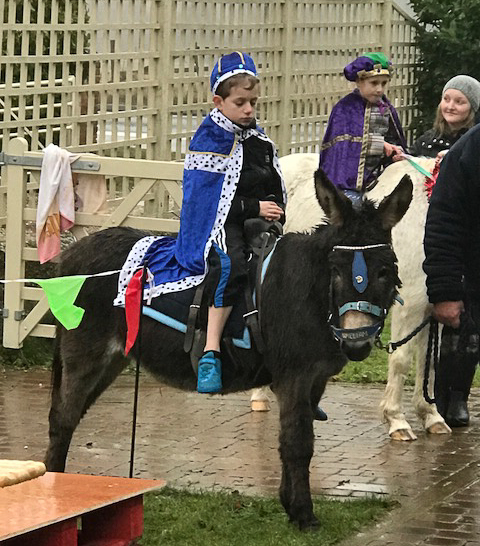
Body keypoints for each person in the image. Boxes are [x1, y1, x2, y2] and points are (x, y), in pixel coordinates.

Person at [116, 51, 286, 394]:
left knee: (286, 268)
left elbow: (271, 181)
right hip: (217, 226)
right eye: (240, 103)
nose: (249, 110)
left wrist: (274, 208)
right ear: (218, 102)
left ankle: (287, 364)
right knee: (230, 265)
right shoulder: (209, 140)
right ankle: (211, 350)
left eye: (253, 102)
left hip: (257, 224)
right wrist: (255, 207)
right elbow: (205, 202)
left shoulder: (257, 139)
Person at [414, 75, 480, 427]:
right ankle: (452, 397)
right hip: (472, 276)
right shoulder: (468, 152)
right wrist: (445, 291)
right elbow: (444, 225)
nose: (451, 107)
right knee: (464, 337)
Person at [319, 52, 407, 206]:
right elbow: (344, 147)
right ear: (359, 81)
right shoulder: (345, 108)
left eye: (384, 83)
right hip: (349, 183)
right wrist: (381, 145)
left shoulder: (386, 109)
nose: (379, 89)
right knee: (352, 207)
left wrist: (395, 153)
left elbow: (394, 139)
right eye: (374, 83)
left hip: (380, 178)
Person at [410, 74, 480, 158]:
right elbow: (409, 161)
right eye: (446, 99)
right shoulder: (427, 139)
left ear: (472, 108)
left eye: (459, 102)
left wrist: (451, 158)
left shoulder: (475, 142)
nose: (450, 107)